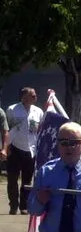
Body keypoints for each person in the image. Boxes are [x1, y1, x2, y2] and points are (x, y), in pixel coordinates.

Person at [6, 87, 45, 215]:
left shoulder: (38, 111)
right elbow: (6, 131)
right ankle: (13, 205)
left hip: (31, 150)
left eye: (35, 95)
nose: (35, 97)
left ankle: (24, 206)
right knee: (12, 179)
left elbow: (39, 131)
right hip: (14, 148)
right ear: (24, 97)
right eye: (32, 96)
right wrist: (6, 147)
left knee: (27, 180)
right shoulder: (12, 109)